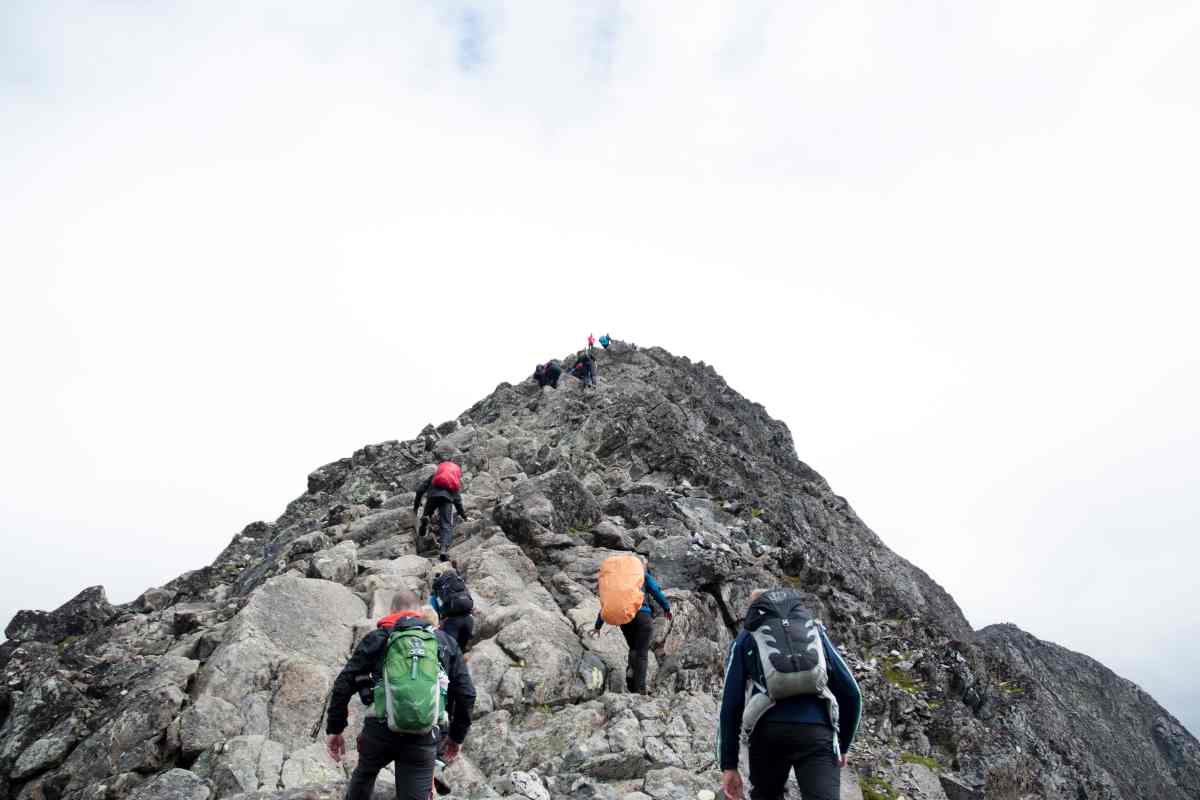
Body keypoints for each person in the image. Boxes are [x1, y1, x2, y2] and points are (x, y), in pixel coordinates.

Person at [326, 589, 476, 800]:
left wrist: (335, 729)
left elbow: (343, 684)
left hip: (379, 731)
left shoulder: (378, 637)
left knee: (365, 774)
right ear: (420, 612)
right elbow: (467, 694)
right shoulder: (443, 641)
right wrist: (456, 737)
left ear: (392, 610)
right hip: (423, 735)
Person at [717, 588, 862, 800]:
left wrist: (728, 765)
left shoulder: (747, 636)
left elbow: (731, 704)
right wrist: (843, 744)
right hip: (817, 732)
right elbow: (852, 692)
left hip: (767, 732)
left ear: (755, 609)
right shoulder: (813, 630)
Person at [590, 561, 671, 694]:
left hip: (625, 618)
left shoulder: (617, 582)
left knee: (634, 647)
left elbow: (608, 603)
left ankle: (631, 680)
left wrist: (598, 626)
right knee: (642, 653)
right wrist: (666, 608)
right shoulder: (642, 575)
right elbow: (655, 591)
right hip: (643, 617)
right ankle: (640, 690)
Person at [414, 462, 468, 562]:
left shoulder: (435, 476)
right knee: (446, 525)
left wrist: (416, 506)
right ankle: (443, 550)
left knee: (427, 513)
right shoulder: (453, 481)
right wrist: (464, 516)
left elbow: (420, 490)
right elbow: (458, 501)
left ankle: (425, 520)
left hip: (432, 496)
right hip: (447, 500)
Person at [431, 564, 475, 653]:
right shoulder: (460, 585)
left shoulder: (438, 592)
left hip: (451, 623)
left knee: (450, 652)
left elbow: (434, 612)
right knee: (462, 651)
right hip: (469, 620)